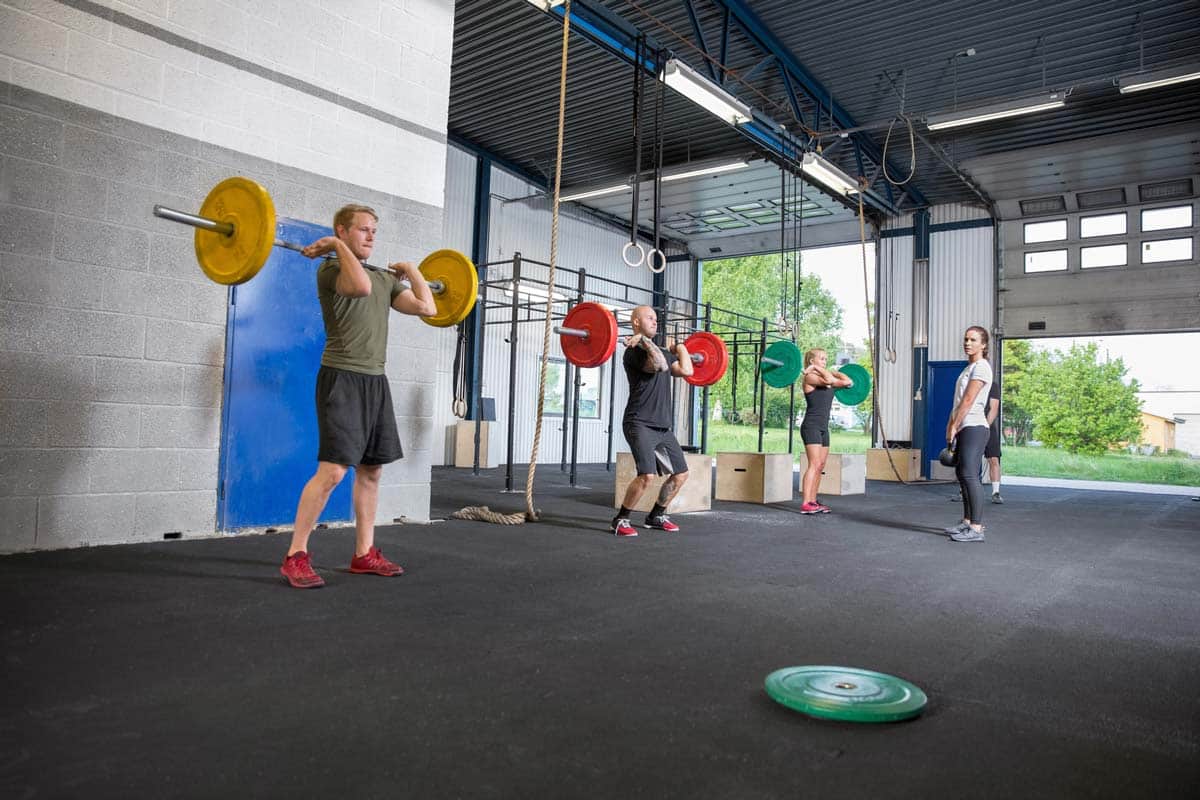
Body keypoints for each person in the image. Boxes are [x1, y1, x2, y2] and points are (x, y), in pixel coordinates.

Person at [280, 204, 437, 588]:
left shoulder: (384, 279)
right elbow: (360, 286)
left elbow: (427, 307)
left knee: (371, 469)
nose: (370, 236)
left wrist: (413, 272)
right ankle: (295, 555)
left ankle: (364, 553)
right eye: (363, 230)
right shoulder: (332, 268)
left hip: (374, 382)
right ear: (343, 230)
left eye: (374, 231)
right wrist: (334, 246)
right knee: (333, 471)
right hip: (341, 378)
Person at [612, 306, 694, 537]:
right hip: (639, 422)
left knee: (681, 474)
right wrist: (644, 342)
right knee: (647, 475)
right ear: (636, 322)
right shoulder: (634, 352)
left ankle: (656, 515)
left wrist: (680, 347)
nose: (655, 322)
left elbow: (687, 369)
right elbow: (658, 364)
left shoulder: (662, 351)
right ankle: (620, 520)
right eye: (650, 318)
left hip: (662, 427)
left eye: (656, 319)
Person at [944, 325, 993, 543]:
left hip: (974, 426)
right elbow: (957, 402)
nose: (968, 343)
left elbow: (968, 399)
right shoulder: (968, 368)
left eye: (973, 340)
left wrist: (956, 424)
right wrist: (950, 426)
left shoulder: (981, 367)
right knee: (963, 475)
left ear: (983, 344)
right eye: (966, 339)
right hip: (964, 425)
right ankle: (966, 522)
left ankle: (977, 527)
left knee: (971, 475)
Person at [798, 349, 855, 514]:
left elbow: (848, 382)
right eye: (821, 359)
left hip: (823, 428)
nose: (825, 361)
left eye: (826, 359)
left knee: (821, 465)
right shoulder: (810, 378)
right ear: (811, 361)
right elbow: (829, 379)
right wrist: (817, 370)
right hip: (811, 426)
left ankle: (813, 501)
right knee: (814, 464)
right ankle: (806, 502)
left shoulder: (825, 379)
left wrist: (832, 371)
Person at [983, 376, 1003, 504]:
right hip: (971, 425)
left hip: (987, 426)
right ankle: (963, 491)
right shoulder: (969, 383)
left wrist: (984, 427)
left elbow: (994, 409)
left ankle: (996, 493)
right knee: (968, 461)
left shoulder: (992, 385)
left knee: (994, 459)